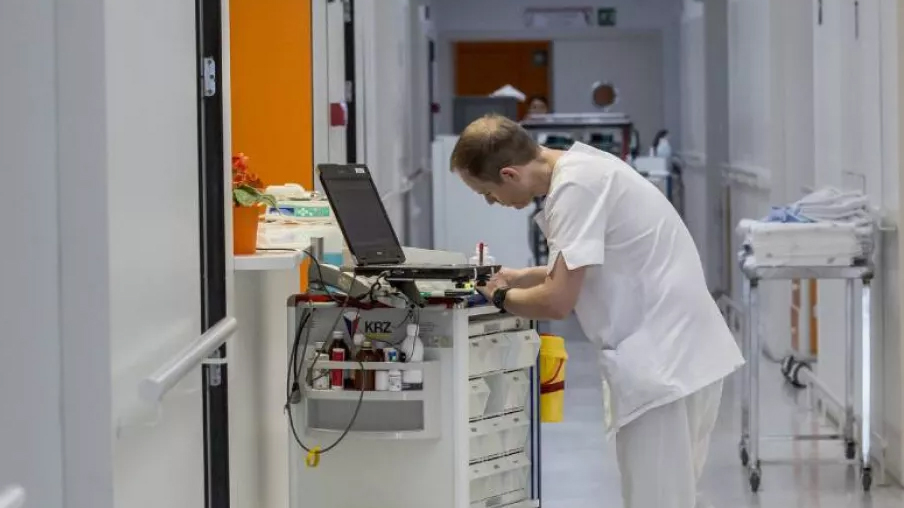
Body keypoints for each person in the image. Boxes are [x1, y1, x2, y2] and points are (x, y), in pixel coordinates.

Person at [450, 114, 744, 508]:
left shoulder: (574, 190)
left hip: (665, 365)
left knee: (658, 501)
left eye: (488, 193)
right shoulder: (585, 168)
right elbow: (589, 262)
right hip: (682, 356)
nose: (492, 202)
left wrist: (497, 297)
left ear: (510, 174)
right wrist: (519, 277)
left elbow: (557, 301)